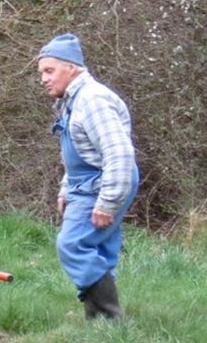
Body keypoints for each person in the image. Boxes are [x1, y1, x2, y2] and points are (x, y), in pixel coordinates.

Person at [36, 33, 138, 319]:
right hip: (86, 184)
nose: (43, 78)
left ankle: (109, 317)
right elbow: (77, 154)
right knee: (98, 249)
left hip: (103, 185)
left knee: (72, 244)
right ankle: (101, 321)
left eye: (49, 71)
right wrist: (65, 189)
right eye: (41, 72)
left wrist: (108, 203)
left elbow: (119, 155)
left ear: (71, 67)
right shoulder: (73, 100)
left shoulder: (93, 101)